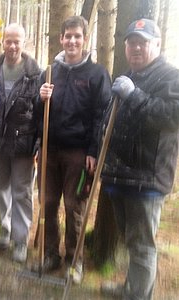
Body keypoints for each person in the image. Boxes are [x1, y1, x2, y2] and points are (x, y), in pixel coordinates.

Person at [100, 19, 179, 299]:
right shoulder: (130, 75)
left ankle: (139, 295)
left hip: (147, 177)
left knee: (142, 244)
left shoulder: (171, 77)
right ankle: (130, 288)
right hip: (120, 174)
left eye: (143, 42)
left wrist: (135, 96)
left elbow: (172, 116)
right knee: (130, 241)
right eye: (132, 42)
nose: (136, 47)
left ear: (156, 45)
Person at [38, 16, 111, 282]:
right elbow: (38, 115)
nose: (72, 41)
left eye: (77, 36)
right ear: (61, 39)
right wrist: (40, 98)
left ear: (85, 39)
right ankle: (50, 254)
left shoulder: (96, 74)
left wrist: (93, 150)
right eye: (67, 36)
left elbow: (101, 116)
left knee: (73, 206)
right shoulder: (49, 72)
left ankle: (74, 260)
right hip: (49, 148)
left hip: (78, 153)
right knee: (46, 203)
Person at [0, 23, 40, 263]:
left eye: (17, 41)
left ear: (24, 42)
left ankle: (20, 239)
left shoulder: (35, 72)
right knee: (2, 187)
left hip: (23, 144)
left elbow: (41, 111)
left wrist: (39, 143)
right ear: (2, 41)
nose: (12, 46)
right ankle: (5, 228)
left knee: (21, 191)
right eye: (8, 41)